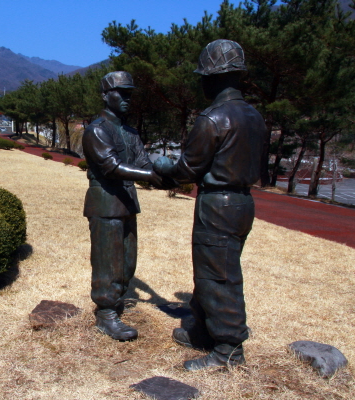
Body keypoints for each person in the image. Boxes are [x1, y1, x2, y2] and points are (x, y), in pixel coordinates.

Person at [155, 39, 265, 370]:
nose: (200, 81)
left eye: (203, 75)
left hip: (218, 204)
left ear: (215, 77)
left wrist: (159, 165)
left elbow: (186, 170)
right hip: (243, 204)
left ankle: (229, 349)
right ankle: (204, 330)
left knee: (219, 275)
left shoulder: (213, 118)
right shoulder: (254, 116)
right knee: (210, 270)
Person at [83, 71, 171, 341]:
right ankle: (106, 312)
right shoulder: (96, 130)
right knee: (108, 260)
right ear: (106, 95)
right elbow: (111, 166)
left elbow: (144, 164)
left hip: (127, 203)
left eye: (130, 94)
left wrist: (172, 172)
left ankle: (117, 301)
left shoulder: (131, 133)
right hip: (106, 202)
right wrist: (151, 176)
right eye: (121, 93)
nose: (126, 99)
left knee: (127, 260)